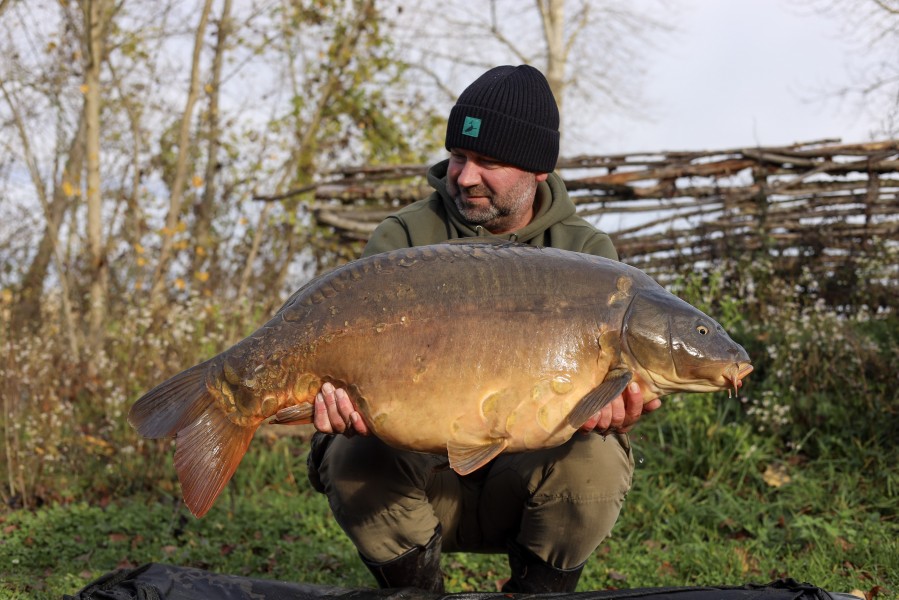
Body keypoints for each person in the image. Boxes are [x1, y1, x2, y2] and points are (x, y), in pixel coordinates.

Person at [306, 65, 661, 594]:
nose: (465, 176)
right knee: (350, 454)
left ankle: (539, 591)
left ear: (540, 170)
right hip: (420, 480)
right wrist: (337, 407)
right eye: (458, 157)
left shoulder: (587, 255)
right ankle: (416, 590)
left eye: (488, 162)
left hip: (521, 486)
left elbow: (612, 394)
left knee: (598, 460)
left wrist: (612, 414)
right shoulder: (404, 237)